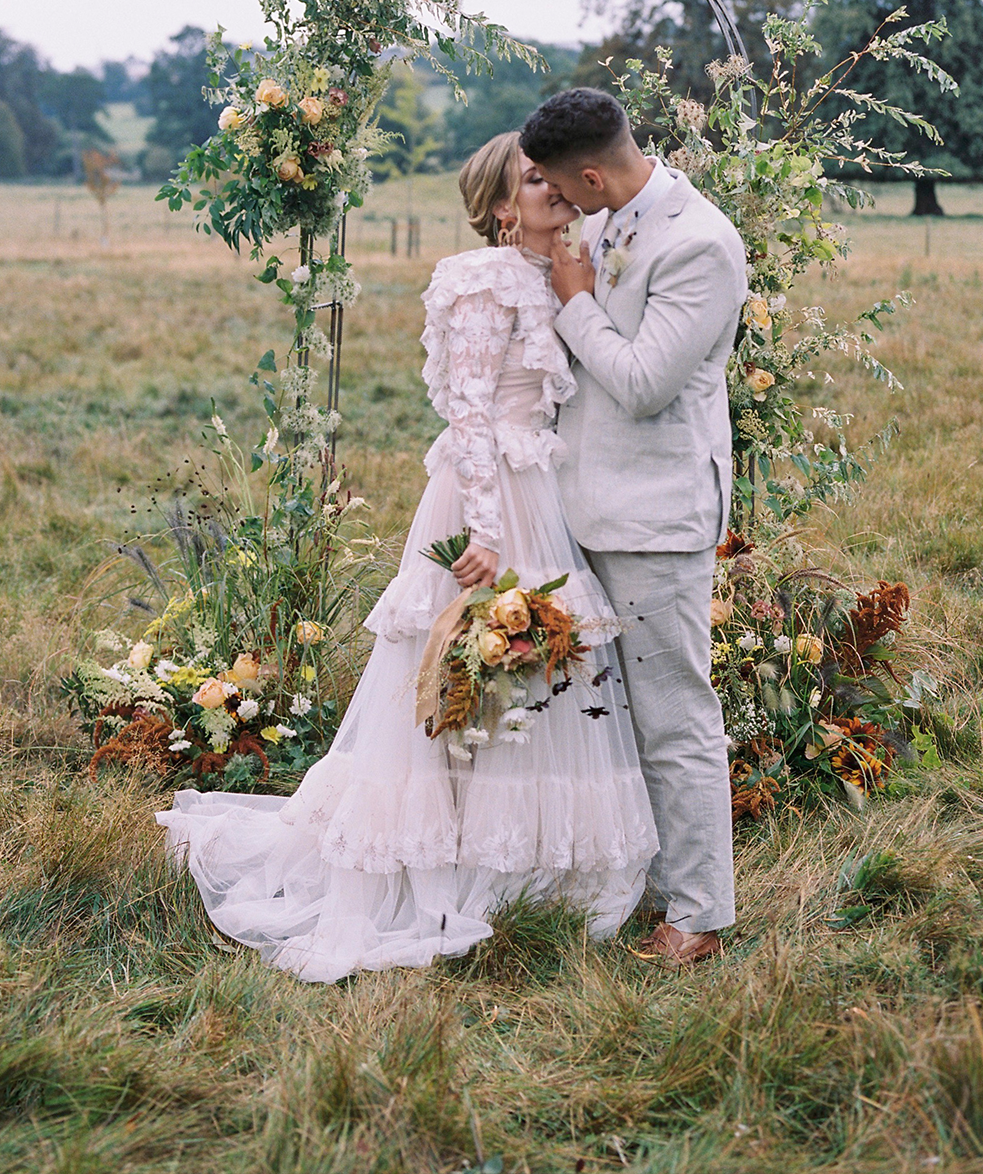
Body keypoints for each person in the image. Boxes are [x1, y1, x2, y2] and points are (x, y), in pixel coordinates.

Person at [157, 133, 657, 982]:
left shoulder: (564, 273)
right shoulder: (480, 281)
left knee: (535, 664)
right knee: (455, 659)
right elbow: (468, 414)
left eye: (557, 175)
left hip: (542, 489)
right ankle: (433, 869)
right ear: (501, 206)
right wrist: (488, 534)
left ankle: (522, 868)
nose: (555, 189)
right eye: (533, 180)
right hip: (484, 494)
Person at [519, 87, 749, 969]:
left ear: (587, 171)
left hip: (654, 518)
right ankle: (632, 883)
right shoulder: (613, 216)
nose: (557, 203)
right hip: (584, 504)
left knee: (673, 714)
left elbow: (646, 380)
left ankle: (699, 913)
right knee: (606, 716)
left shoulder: (700, 242)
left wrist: (573, 301)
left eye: (556, 186)